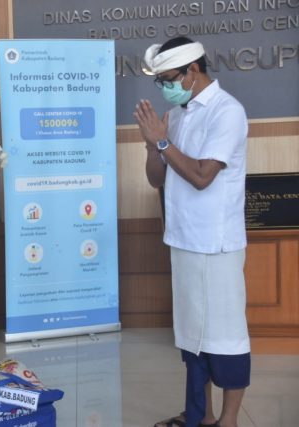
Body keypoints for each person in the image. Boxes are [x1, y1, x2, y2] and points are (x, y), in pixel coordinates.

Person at [134, 37, 250, 427]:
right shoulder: (177, 115)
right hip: (182, 239)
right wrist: (152, 147)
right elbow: (157, 179)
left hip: (216, 244)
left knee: (225, 336)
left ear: (193, 71)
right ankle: (201, 415)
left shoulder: (227, 112)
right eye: (160, 81)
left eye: (168, 79)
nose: (164, 87)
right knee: (192, 338)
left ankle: (229, 420)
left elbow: (202, 176)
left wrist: (162, 140)